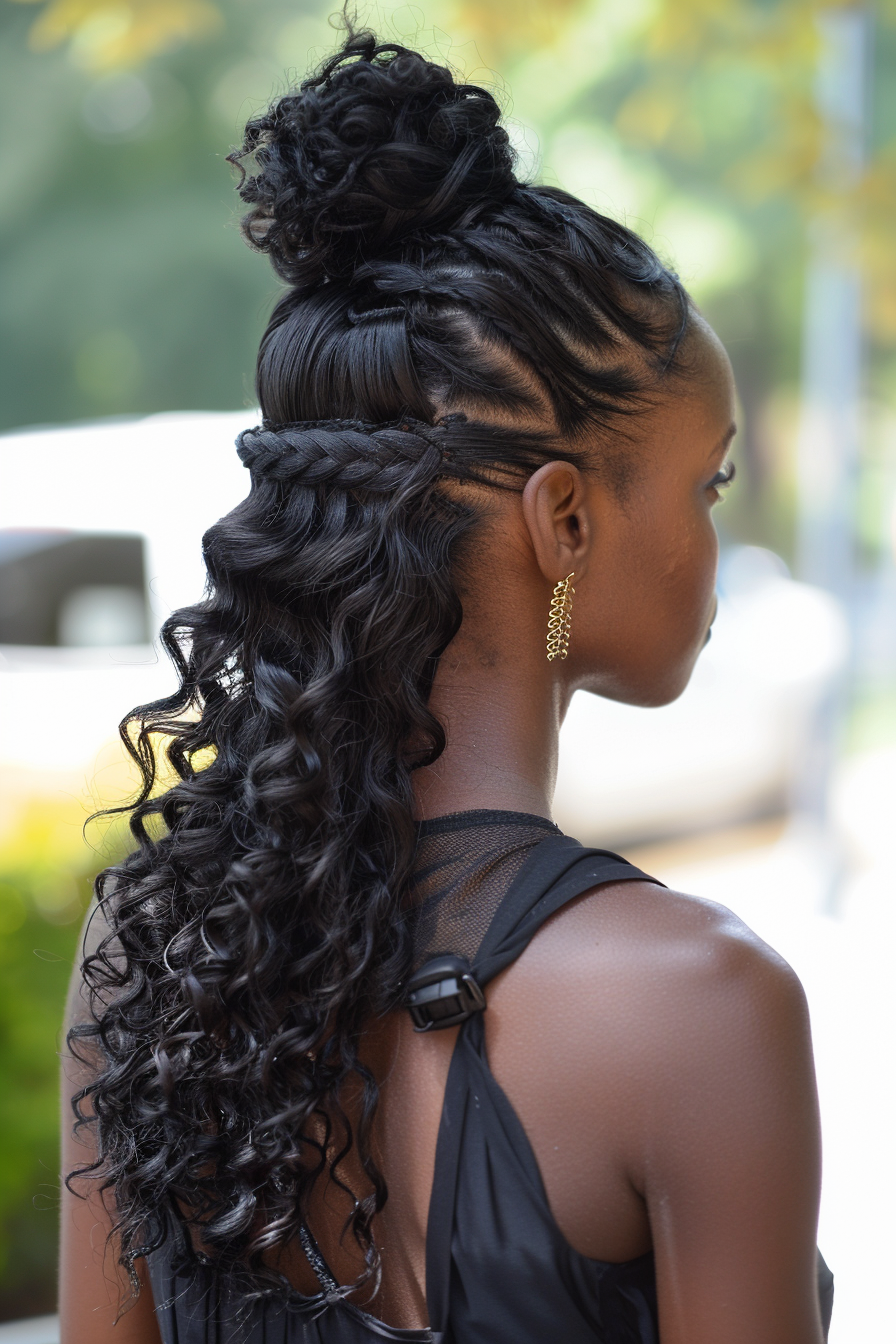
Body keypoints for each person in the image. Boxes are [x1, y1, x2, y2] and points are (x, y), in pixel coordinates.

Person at [60, 26, 834, 1344]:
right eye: (708, 484)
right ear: (565, 521)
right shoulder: (700, 1009)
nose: (714, 539)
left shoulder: (149, 946)